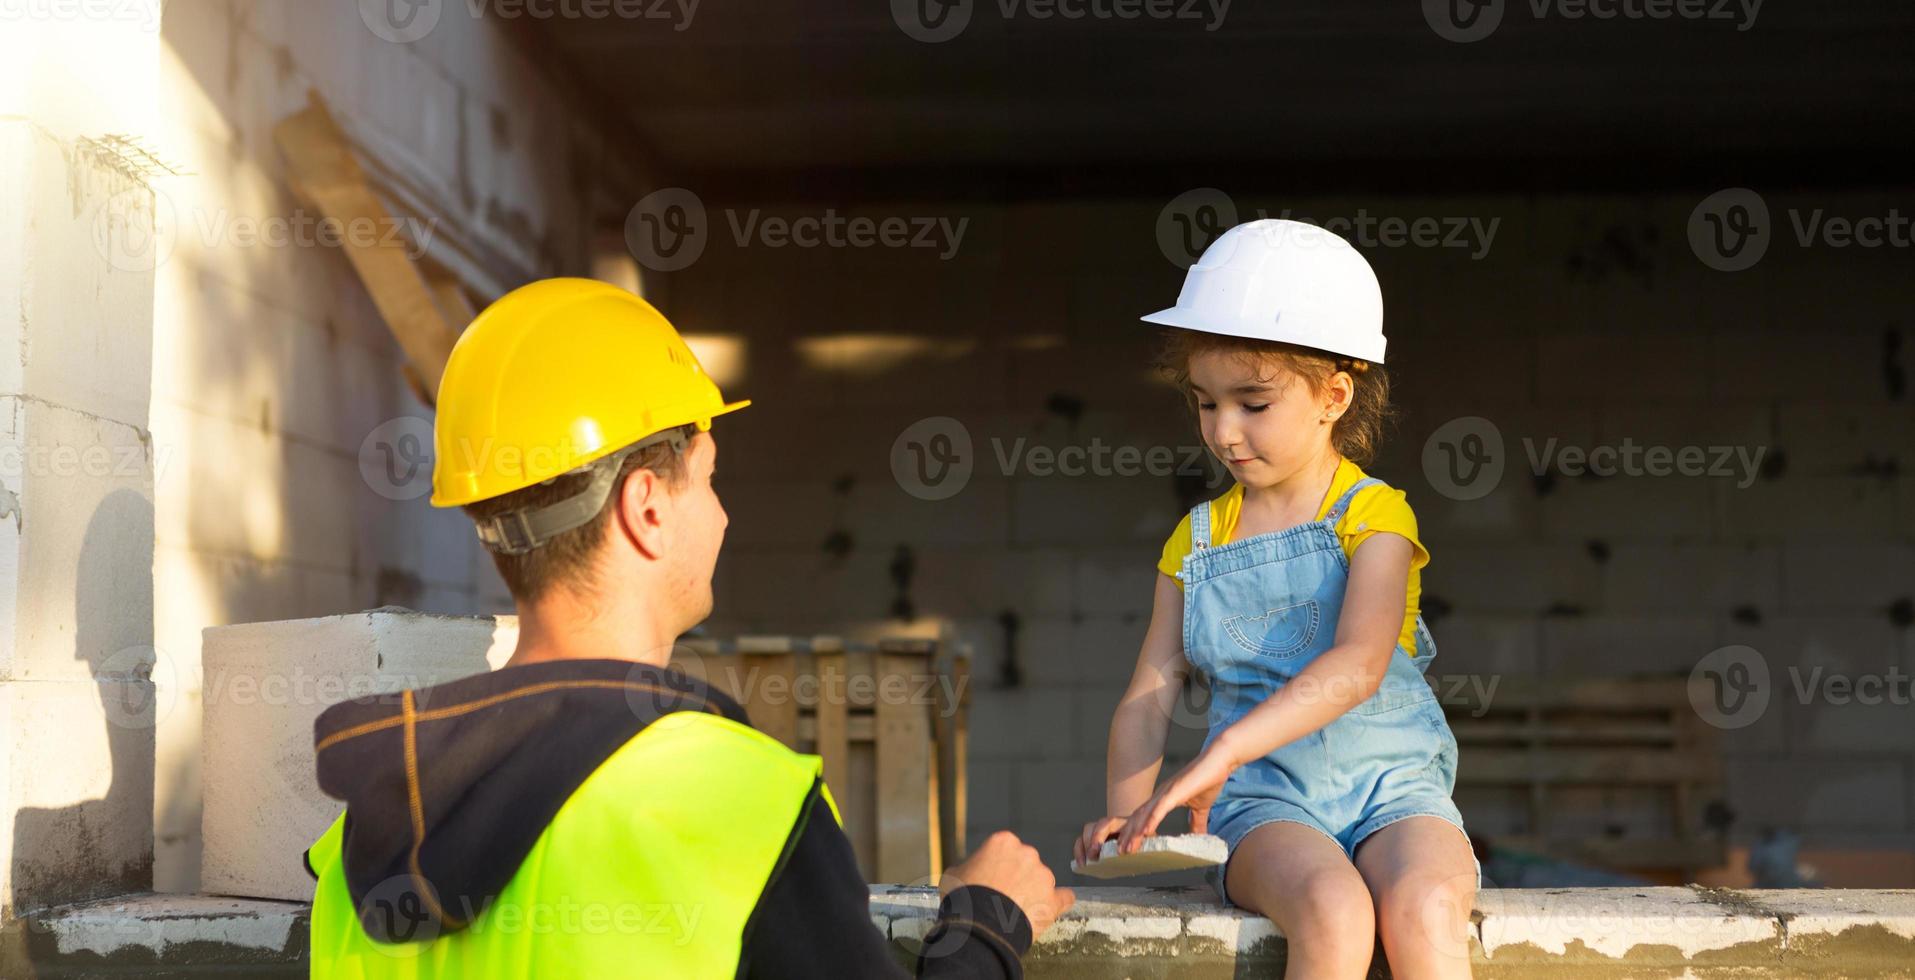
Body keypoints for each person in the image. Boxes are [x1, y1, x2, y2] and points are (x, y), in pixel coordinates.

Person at [304, 278, 1073, 977]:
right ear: (646, 508)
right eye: (708, 479)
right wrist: (986, 928)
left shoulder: (360, 846)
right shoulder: (736, 802)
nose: (725, 513)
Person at [1075, 220, 1479, 979]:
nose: (1223, 431)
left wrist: (1220, 749)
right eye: (1204, 403)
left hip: (1394, 788)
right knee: (1331, 909)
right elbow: (1147, 698)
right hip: (1261, 803)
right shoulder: (1194, 541)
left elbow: (1358, 664)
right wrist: (1128, 814)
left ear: (1333, 395)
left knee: (1424, 907)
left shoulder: (1374, 515)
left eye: (1252, 404)